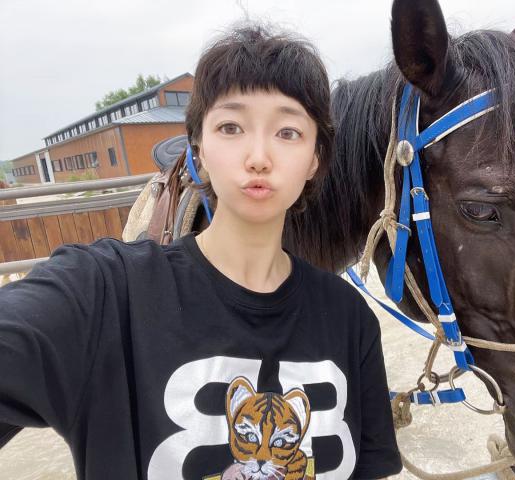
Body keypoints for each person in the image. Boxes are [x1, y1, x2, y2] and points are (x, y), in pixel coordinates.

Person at [0, 25, 402, 480]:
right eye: (231, 127)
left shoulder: (350, 320)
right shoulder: (105, 294)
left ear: (315, 159)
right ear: (200, 150)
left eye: (288, 131)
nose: (258, 156)